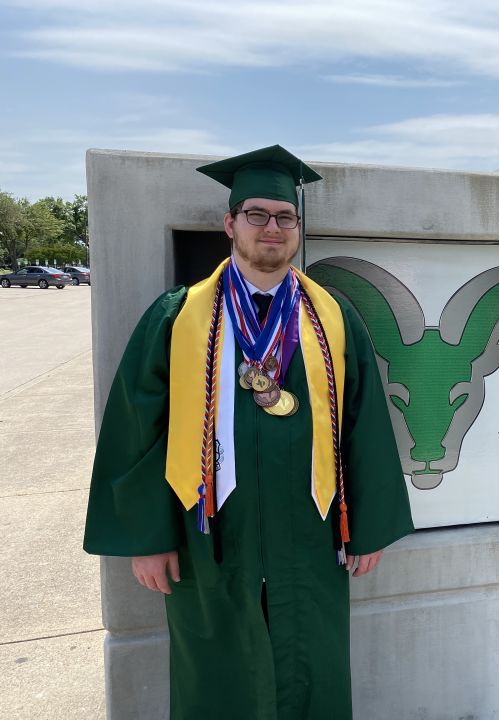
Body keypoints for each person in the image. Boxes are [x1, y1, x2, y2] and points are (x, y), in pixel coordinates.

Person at [83, 145, 414, 720]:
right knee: (218, 672)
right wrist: (148, 537)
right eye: (257, 214)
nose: (272, 228)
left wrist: (366, 528)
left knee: (311, 665)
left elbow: (364, 425)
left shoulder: (333, 318)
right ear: (230, 223)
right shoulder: (178, 315)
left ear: (298, 229)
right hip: (210, 532)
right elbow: (137, 429)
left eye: (285, 217)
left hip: (311, 532)